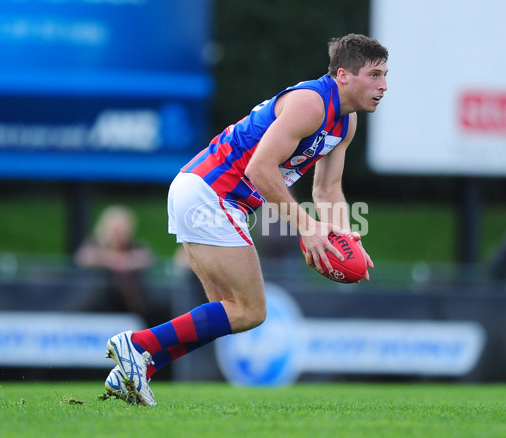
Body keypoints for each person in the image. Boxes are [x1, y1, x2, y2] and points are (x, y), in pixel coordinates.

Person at [103, 34, 385, 405]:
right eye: (374, 74)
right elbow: (259, 169)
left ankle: (138, 366)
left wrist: (348, 240)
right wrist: (308, 228)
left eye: (385, 75)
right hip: (210, 194)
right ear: (344, 75)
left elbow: (328, 190)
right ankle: (136, 345)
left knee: (226, 309)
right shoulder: (311, 104)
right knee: (250, 310)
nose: (383, 85)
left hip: (202, 192)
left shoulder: (344, 123)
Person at [75, 205, 153, 321]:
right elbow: (83, 258)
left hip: (127, 309)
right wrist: (117, 260)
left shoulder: (134, 246)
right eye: (117, 229)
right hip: (96, 306)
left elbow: (147, 257)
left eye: (124, 229)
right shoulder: (94, 244)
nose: (120, 233)